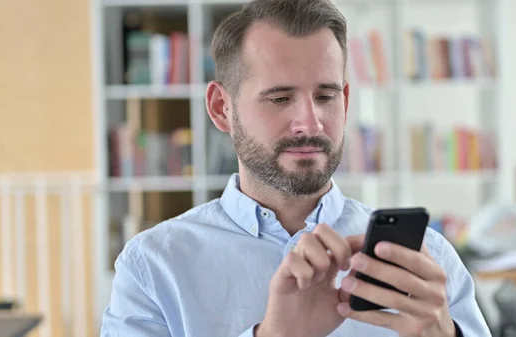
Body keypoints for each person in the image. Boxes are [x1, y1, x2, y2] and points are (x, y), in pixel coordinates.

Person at [100, 0, 491, 336]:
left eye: (325, 96)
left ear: (346, 100)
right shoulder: (152, 268)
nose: (311, 122)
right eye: (280, 98)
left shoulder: (426, 261)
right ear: (222, 108)